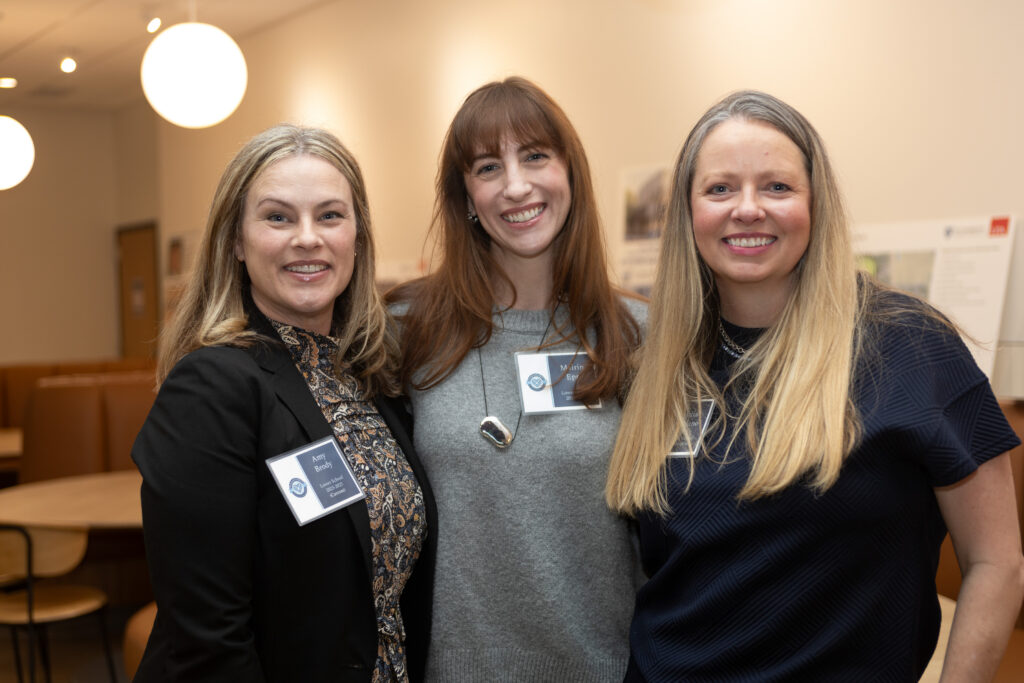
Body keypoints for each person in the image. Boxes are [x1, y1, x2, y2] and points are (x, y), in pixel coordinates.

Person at [606, 89, 1024, 682]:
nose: (747, 209)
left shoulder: (910, 346)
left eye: (777, 187)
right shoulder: (655, 365)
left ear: (815, 203)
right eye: (720, 188)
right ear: (688, 212)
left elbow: (997, 562)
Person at [132, 124, 436, 682]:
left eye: (330, 216)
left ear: (357, 238)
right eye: (277, 217)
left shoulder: (371, 376)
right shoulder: (211, 389)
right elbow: (209, 639)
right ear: (236, 242)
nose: (307, 238)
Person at [388, 77, 645, 681]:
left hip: (606, 668)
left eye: (535, 156)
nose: (516, 185)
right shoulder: (407, 329)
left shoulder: (638, 333)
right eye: (487, 166)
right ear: (467, 198)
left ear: (570, 174)